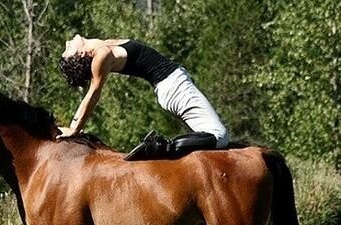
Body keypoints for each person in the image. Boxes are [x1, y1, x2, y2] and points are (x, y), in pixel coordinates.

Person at [58, 34, 229, 160]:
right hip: (175, 87)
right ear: (79, 55)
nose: (67, 42)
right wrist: (75, 129)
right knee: (219, 136)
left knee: (205, 139)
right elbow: (93, 93)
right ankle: (161, 147)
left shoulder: (102, 46)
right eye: (67, 50)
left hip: (173, 86)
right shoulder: (101, 55)